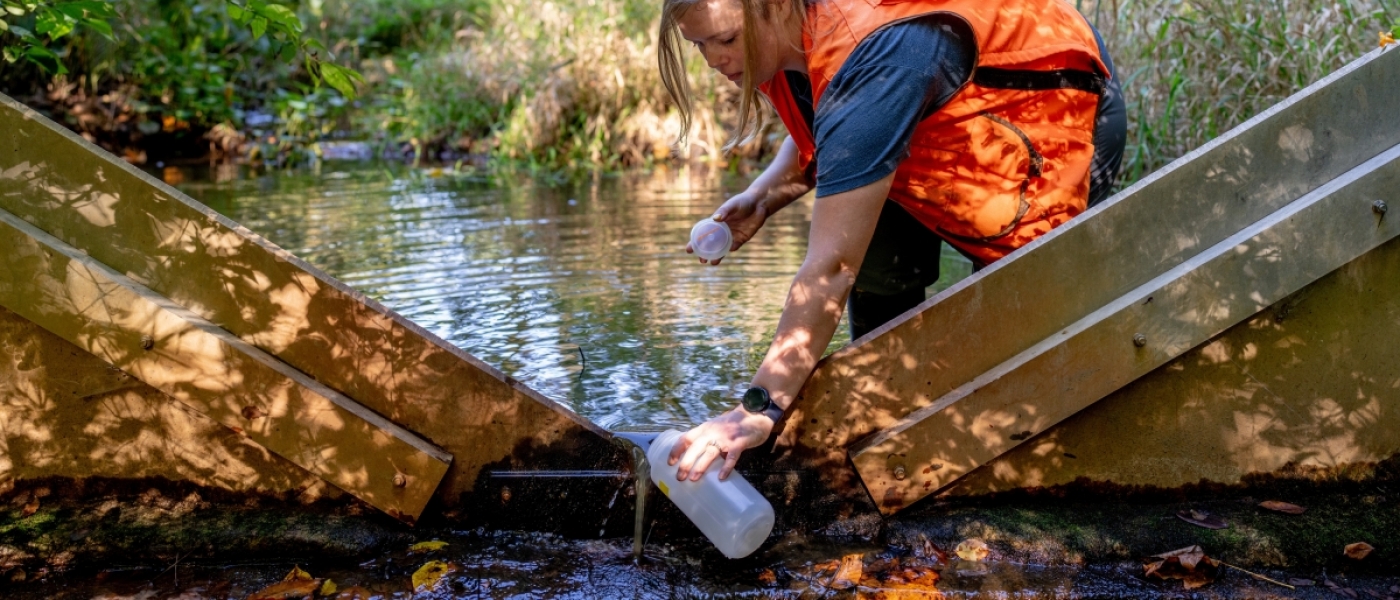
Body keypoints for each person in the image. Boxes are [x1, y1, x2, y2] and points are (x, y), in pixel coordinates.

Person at [660, 0, 1127, 482]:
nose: (713, 60)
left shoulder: (880, 55)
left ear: (775, 7)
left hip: (1053, 98)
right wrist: (761, 197)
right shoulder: (797, 34)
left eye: (727, 40)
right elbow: (838, 121)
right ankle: (886, 443)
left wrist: (755, 410)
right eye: (699, 45)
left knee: (1012, 330)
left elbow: (831, 269)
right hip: (936, 121)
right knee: (876, 263)